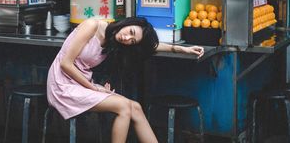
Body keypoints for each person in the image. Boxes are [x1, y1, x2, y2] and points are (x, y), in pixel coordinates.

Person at [47, 17, 204, 143]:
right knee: (124, 107)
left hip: (82, 84)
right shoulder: (91, 25)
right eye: (130, 31)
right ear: (129, 23)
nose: (127, 38)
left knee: (135, 107)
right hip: (62, 84)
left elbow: (150, 46)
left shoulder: (114, 42)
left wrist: (181, 49)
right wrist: (94, 88)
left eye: (132, 40)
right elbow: (66, 63)